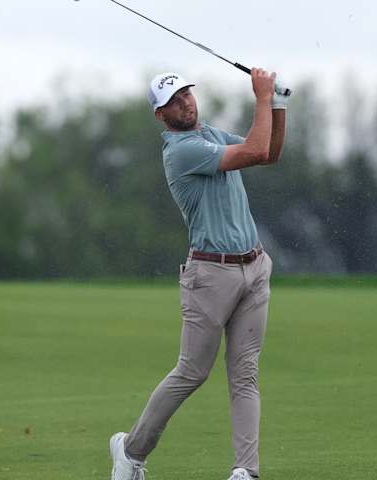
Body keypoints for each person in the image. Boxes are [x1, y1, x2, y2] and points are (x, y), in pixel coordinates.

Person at [108, 68, 288, 480]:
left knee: (245, 373)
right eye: (173, 101)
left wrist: (278, 104)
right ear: (160, 115)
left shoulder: (211, 134)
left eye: (186, 94)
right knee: (192, 372)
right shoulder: (180, 151)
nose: (185, 103)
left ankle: (246, 471)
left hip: (254, 268)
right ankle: (131, 451)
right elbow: (256, 152)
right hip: (210, 275)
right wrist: (262, 97)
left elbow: (270, 153)